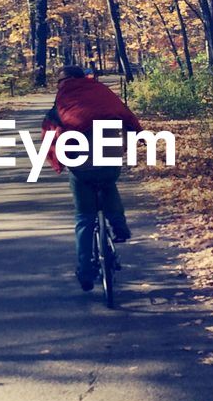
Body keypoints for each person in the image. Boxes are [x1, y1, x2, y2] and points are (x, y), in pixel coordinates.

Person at [41, 66, 143, 292]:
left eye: (60, 80)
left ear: (64, 81)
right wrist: (138, 134)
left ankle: (85, 271)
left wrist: (57, 162)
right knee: (107, 181)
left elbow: (49, 132)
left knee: (84, 217)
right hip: (109, 155)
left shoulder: (62, 100)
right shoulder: (101, 91)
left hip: (81, 165)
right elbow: (125, 114)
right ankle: (119, 226)